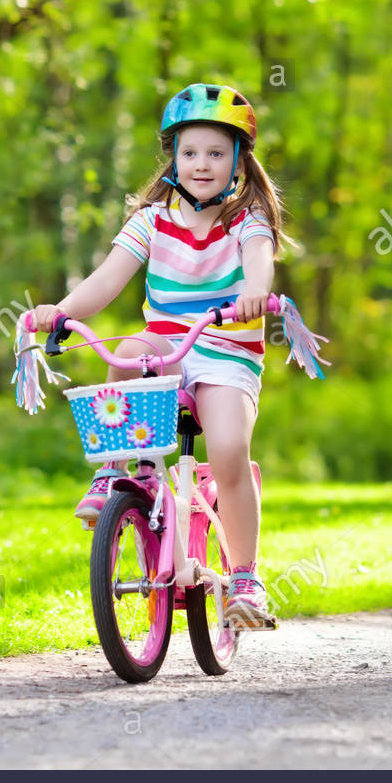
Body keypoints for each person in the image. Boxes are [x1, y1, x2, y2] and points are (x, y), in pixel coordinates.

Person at [27, 82, 291, 627]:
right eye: (189, 152)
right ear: (173, 156)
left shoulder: (247, 222)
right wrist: (62, 309)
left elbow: (259, 260)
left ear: (239, 160)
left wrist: (254, 293)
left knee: (226, 449)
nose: (201, 164)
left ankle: (245, 578)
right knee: (129, 349)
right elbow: (107, 281)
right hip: (169, 344)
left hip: (225, 350)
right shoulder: (151, 221)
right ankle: (127, 472)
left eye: (217, 153)